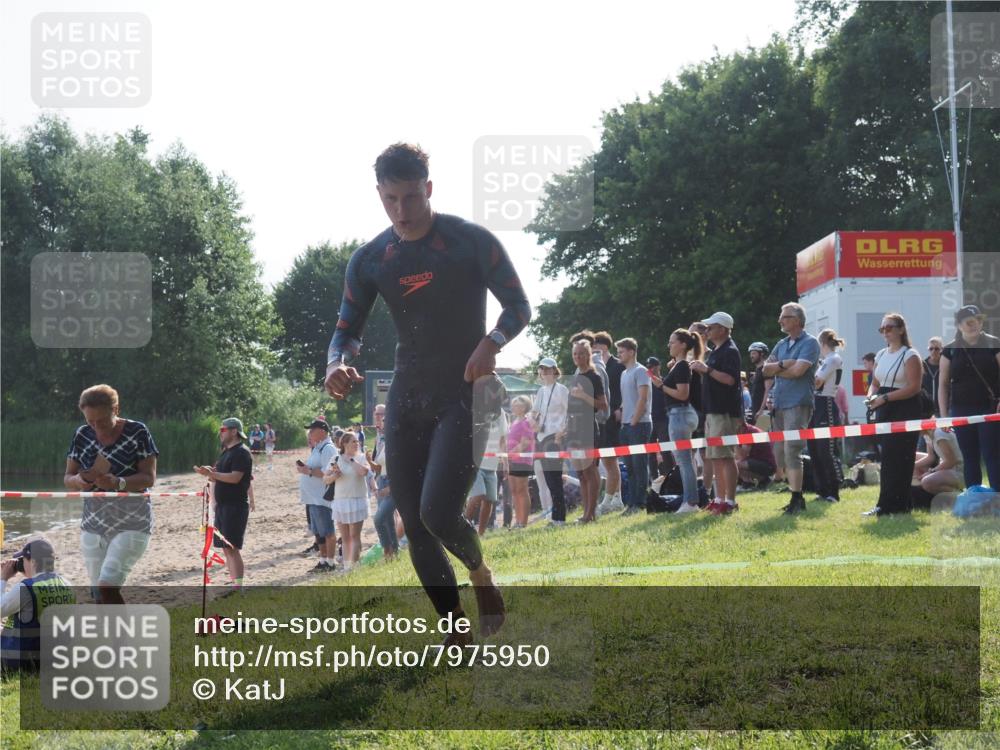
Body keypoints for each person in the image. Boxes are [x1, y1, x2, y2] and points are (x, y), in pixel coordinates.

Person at [324, 143, 530, 639]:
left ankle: (481, 575)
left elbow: (518, 306)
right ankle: (454, 630)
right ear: (379, 194)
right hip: (408, 395)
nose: (402, 211)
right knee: (413, 522)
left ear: (429, 189)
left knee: (439, 513)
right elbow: (346, 329)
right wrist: (337, 362)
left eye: (412, 197)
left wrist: (491, 343)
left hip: (464, 392)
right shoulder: (371, 259)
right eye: (391, 199)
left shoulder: (469, 240)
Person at [64, 384, 158, 605]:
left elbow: (148, 478)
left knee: (107, 586)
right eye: (90, 422)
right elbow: (68, 477)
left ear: (116, 409)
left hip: (132, 521)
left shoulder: (138, 432)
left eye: (102, 421)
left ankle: (122, 638)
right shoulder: (81, 434)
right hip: (93, 523)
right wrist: (78, 481)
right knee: (98, 592)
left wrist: (118, 482)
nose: (97, 427)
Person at [762, 302, 821, 515]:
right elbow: (764, 370)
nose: (780, 321)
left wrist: (778, 367)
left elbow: (798, 372)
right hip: (779, 403)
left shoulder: (811, 343)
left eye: (784, 317)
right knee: (779, 453)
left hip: (798, 402)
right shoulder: (781, 344)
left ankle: (797, 498)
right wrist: (784, 365)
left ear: (797, 320)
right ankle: (793, 493)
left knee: (792, 449)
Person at [864, 312, 924, 516]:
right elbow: (874, 383)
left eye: (889, 328)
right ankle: (887, 504)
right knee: (888, 458)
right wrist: (871, 396)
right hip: (883, 408)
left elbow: (914, 387)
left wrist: (885, 399)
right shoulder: (881, 354)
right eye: (882, 329)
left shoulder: (910, 355)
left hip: (904, 408)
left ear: (900, 329)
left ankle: (897, 505)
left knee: (902, 458)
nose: (885, 332)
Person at [939, 305, 1000, 491]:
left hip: (990, 408)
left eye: (978, 320)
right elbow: (942, 384)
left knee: (992, 454)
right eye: (969, 322)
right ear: (959, 325)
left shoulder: (993, 343)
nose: (975, 324)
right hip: (960, 409)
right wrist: (943, 415)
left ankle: (998, 497)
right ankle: (974, 497)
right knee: (969, 455)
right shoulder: (949, 350)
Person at [690, 313, 743, 515]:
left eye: (711, 327)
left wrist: (707, 370)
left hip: (724, 411)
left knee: (726, 457)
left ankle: (730, 501)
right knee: (715, 458)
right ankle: (719, 498)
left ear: (722, 328)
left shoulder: (730, 351)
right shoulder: (718, 351)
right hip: (713, 411)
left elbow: (730, 380)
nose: (707, 331)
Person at [195, 418, 254, 591]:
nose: (220, 433)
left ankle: (239, 588)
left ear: (234, 431)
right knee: (226, 548)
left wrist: (214, 474)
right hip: (223, 506)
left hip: (235, 506)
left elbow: (235, 477)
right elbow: (220, 476)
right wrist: (209, 473)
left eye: (223, 429)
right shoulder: (226, 452)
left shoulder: (241, 452)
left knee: (232, 547)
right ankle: (236, 586)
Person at [1, 538, 75, 673]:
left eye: (23, 560)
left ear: (33, 562)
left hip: (22, 662)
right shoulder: (67, 584)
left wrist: (3, 579)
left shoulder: (25, 589)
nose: (21, 564)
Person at [651, 329, 703, 513]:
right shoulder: (679, 365)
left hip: (679, 414)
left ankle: (690, 502)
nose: (669, 345)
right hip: (680, 415)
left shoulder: (682, 366)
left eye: (672, 342)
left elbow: (683, 394)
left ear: (682, 344)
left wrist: (661, 385)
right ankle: (691, 500)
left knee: (684, 461)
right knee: (686, 460)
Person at [567, 339, 607, 523]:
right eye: (575, 354)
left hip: (588, 428)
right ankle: (586, 514)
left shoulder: (594, 376)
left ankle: (592, 513)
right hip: (574, 429)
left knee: (590, 471)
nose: (577, 357)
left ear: (588, 355)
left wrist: (584, 395)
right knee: (580, 473)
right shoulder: (575, 377)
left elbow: (603, 405)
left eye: (581, 353)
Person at [323, 432, 370, 571]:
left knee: (355, 535)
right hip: (340, 501)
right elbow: (325, 479)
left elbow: (363, 472)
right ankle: (347, 566)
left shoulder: (361, 458)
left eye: (357, 441)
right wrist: (334, 475)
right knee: (345, 537)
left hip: (357, 500)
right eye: (353, 442)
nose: (357, 444)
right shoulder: (335, 458)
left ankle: (354, 567)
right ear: (344, 444)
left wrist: (351, 460)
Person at [616, 337, 652, 515]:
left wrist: (634, 421)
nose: (619, 355)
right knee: (629, 466)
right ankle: (631, 503)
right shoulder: (624, 373)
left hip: (640, 424)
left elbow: (642, 398)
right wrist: (622, 413)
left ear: (631, 352)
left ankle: (641, 503)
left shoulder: (641, 371)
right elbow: (628, 398)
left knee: (639, 465)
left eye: (621, 351)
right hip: (627, 425)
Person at [809, 328, 845, 503]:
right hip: (815, 405)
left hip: (826, 403)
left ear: (822, 343)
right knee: (814, 449)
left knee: (826, 450)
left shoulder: (833, 359)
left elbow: (817, 382)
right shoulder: (824, 360)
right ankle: (822, 489)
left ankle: (834, 489)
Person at [297, 419, 338, 573]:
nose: (309, 433)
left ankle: (331, 562)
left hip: (322, 497)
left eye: (312, 430)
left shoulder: (327, 448)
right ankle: (323, 560)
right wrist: (306, 470)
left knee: (327, 531)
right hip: (313, 497)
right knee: (319, 533)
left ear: (322, 431)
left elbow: (329, 472)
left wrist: (308, 471)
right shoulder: (318, 447)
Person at [531, 357, 569, 523]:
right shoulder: (541, 391)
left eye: (547, 369)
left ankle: (559, 518)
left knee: (555, 479)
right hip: (541, 437)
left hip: (554, 437)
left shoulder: (561, 389)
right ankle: (555, 517)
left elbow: (570, 413)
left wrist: (563, 432)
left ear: (555, 370)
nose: (544, 372)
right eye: (542, 369)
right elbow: (534, 413)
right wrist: (533, 423)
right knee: (548, 479)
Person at [593, 331, 626, 514]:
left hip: (614, 417)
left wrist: (620, 408)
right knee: (608, 462)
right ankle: (617, 499)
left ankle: (607, 501)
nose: (593, 349)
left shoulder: (617, 365)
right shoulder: (594, 366)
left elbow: (622, 389)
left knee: (610, 460)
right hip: (599, 418)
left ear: (604, 346)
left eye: (596, 345)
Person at [466, 408, 508, 535]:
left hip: (492, 464)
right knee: (479, 495)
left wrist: (505, 461)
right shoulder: (475, 406)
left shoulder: (500, 412)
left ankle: (481, 534)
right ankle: (461, 528)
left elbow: (502, 439)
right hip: (475, 463)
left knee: (489, 500)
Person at [370, 404, 398, 558]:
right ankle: (394, 551)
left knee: (379, 519)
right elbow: (380, 467)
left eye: (385, 420)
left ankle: (387, 550)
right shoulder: (382, 440)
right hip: (382, 481)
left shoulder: (398, 443)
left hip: (393, 484)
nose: (381, 422)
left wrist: (391, 487)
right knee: (387, 520)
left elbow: (404, 469)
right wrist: (369, 461)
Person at [506, 396, 536, 527]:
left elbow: (525, 442)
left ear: (524, 407)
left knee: (522, 490)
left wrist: (511, 453)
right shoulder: (513, 422)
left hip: (522, 460)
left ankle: (523, 522)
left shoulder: (526, 422)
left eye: (518, 405)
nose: (515, 407)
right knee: (514, 491)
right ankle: (517, 521)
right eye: (514, 405)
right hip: (512, 460)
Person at [735, 421, 777, 488]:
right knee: (733, 462)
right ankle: (759, 481)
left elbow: (742, 456)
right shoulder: (746, 430)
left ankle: (748, 483)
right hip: (762, 462)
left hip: (768, 465)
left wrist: (733, 442)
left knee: (734, 464)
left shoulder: (748, 432)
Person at [646, 356, 670, 475]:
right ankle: (654, 479)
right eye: (648, 367)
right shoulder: (646, 384)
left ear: (658, 366)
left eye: (652, 366)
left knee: (665, 450)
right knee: (651, 452)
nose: (650, 369)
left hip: (663, 419)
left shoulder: (664, 382)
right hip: (651, 419)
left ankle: (668, 476)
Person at [747, 342, 772, 424]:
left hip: (764, 412)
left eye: (754, 353)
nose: (751, 356)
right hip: (756, 410)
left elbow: (768, 391)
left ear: (761, 354)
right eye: (750, 353)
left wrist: (761, 410)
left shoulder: (766, 369)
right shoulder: (757, 371)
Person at [923, 337, 944, 417]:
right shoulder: (922, 366)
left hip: (943, 409)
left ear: (941, 349)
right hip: (927, 411)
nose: (933, 351)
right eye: (931, 349)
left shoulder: (946, 365)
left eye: (936, 349)